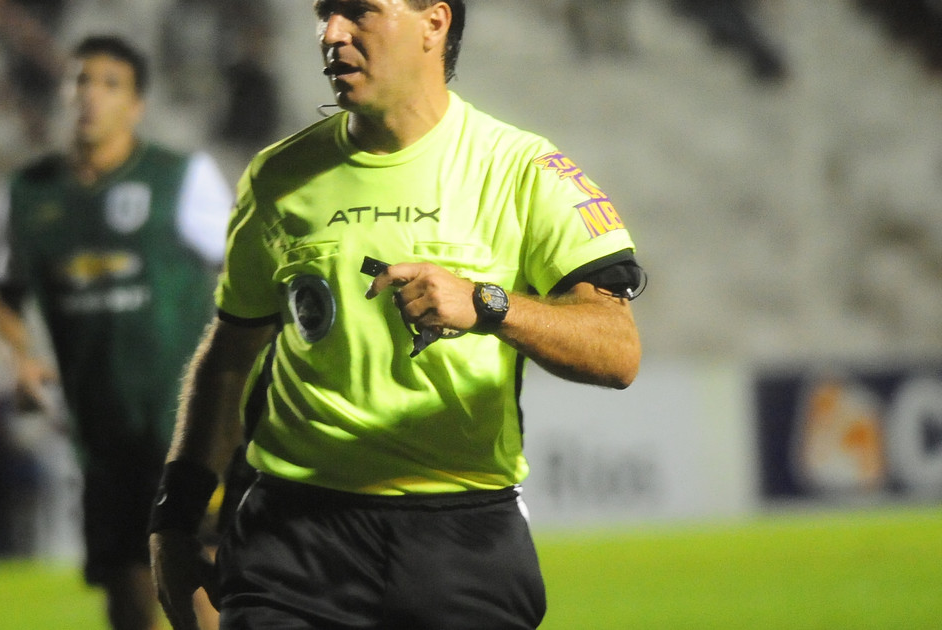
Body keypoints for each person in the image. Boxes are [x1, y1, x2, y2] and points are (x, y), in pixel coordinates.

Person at [148, 1, 645, 629]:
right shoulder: (277, 176)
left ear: (434, 23)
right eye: (325, 12)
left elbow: (617, 349)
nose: (332, 33)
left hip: (462, 536)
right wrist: (174, 518)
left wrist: (488, 304)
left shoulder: (524, 170)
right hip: (294, 541)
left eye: (359, 11)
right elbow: (229, 354)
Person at [0, 35, 231, 630]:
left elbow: (246, 275)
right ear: (64, 94)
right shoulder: (28, 194)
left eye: (109, 84)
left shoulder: (182, 178)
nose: (91, 95)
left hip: (190, 431)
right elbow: (5, 300)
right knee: (128, 598)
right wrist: (19, 361)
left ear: (136, 105)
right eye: (80, 81)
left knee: (205, 588)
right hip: (101, 438)